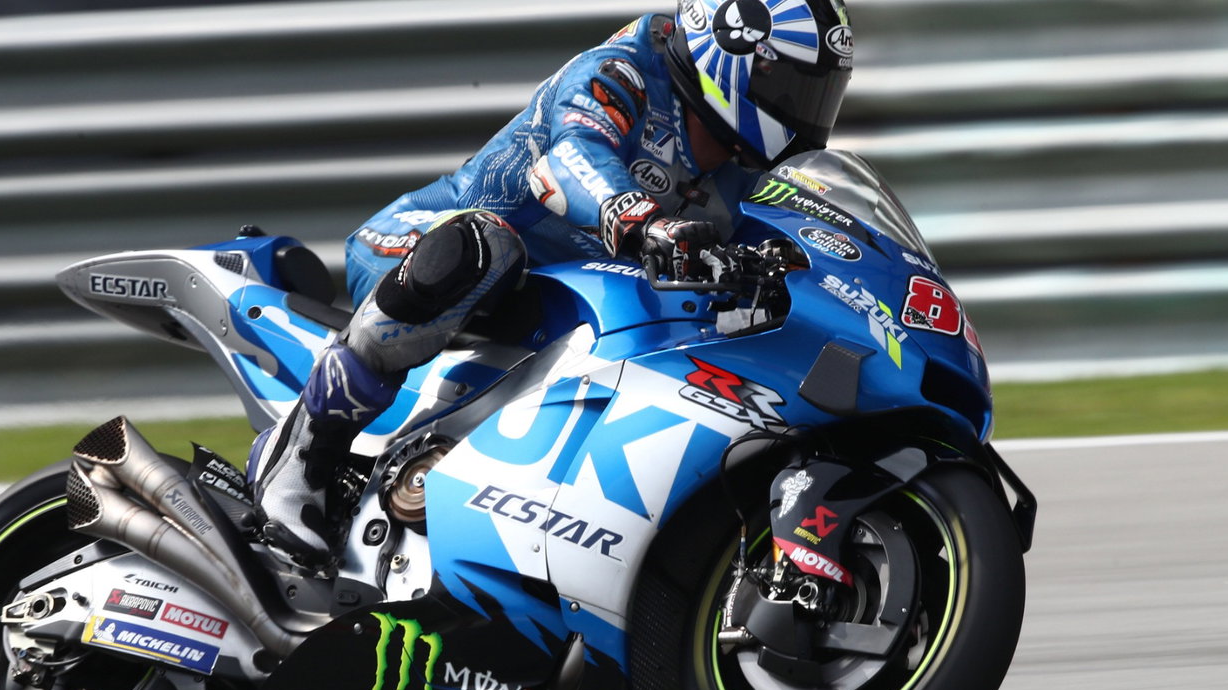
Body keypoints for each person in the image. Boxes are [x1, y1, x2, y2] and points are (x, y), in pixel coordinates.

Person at [249, 0, 855, 570]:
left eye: (819, 95)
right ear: (733, 50)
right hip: (427, 246)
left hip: (554, 306)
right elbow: (568, 160)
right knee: (487, 247)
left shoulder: (743, 175)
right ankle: (300, 458)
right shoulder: (626, 70)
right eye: (794, 89)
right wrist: (637, 218)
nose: (805, 111)